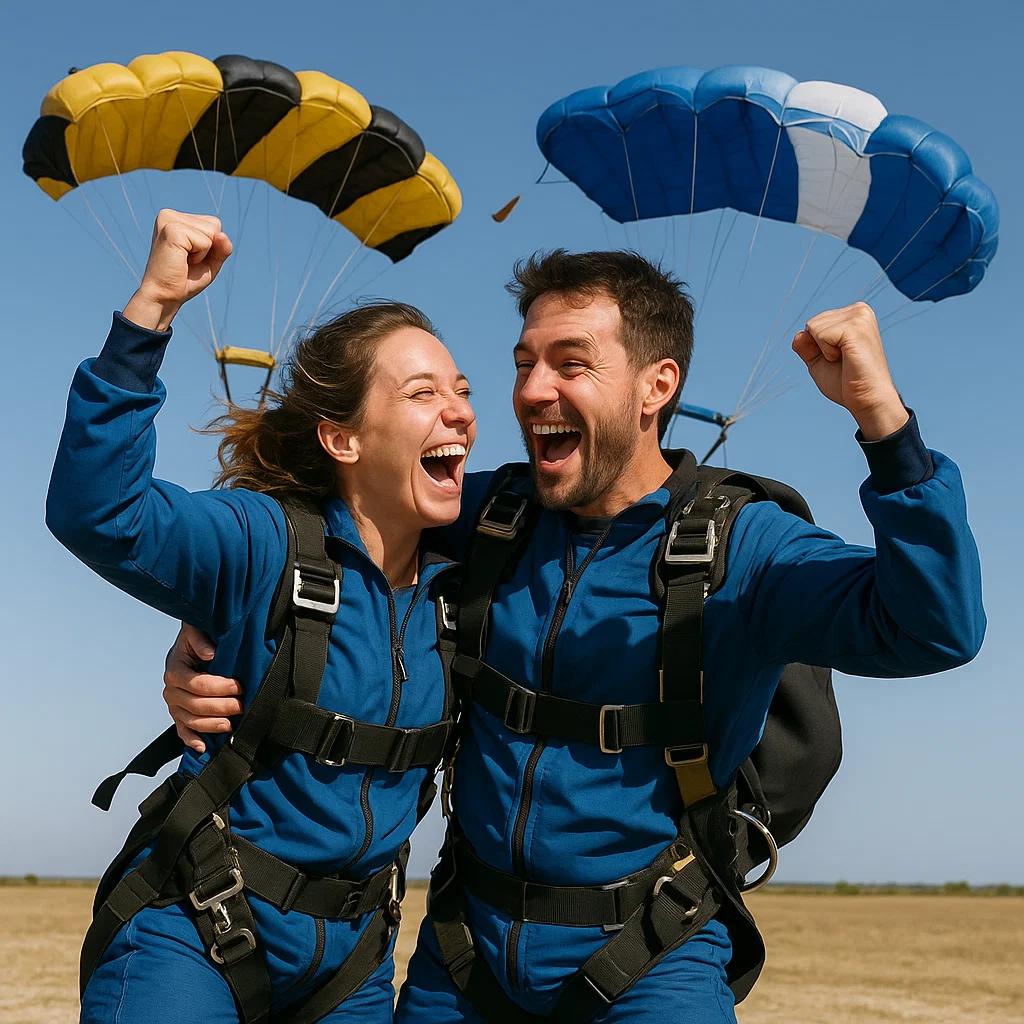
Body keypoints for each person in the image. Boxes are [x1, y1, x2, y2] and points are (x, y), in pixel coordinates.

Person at [163, 250, 985, 1023]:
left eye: (571, 363)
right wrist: (209, 639)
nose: (531, 390)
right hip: (465, 965)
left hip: (651, 957)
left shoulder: (745, 546)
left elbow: (934, 628)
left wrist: (884, 424)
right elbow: (332, 529)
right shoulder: (489, 516)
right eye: (524, 364)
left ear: (656, 386)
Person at [46, 209, 476, 1023]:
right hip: (193, 931)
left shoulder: (474, 573)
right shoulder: (261, 541)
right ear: (341, 441)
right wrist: (152, 312)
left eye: (462, 391)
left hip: (349, 966)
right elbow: (101, 513)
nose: (459, 410)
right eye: (423, 393)